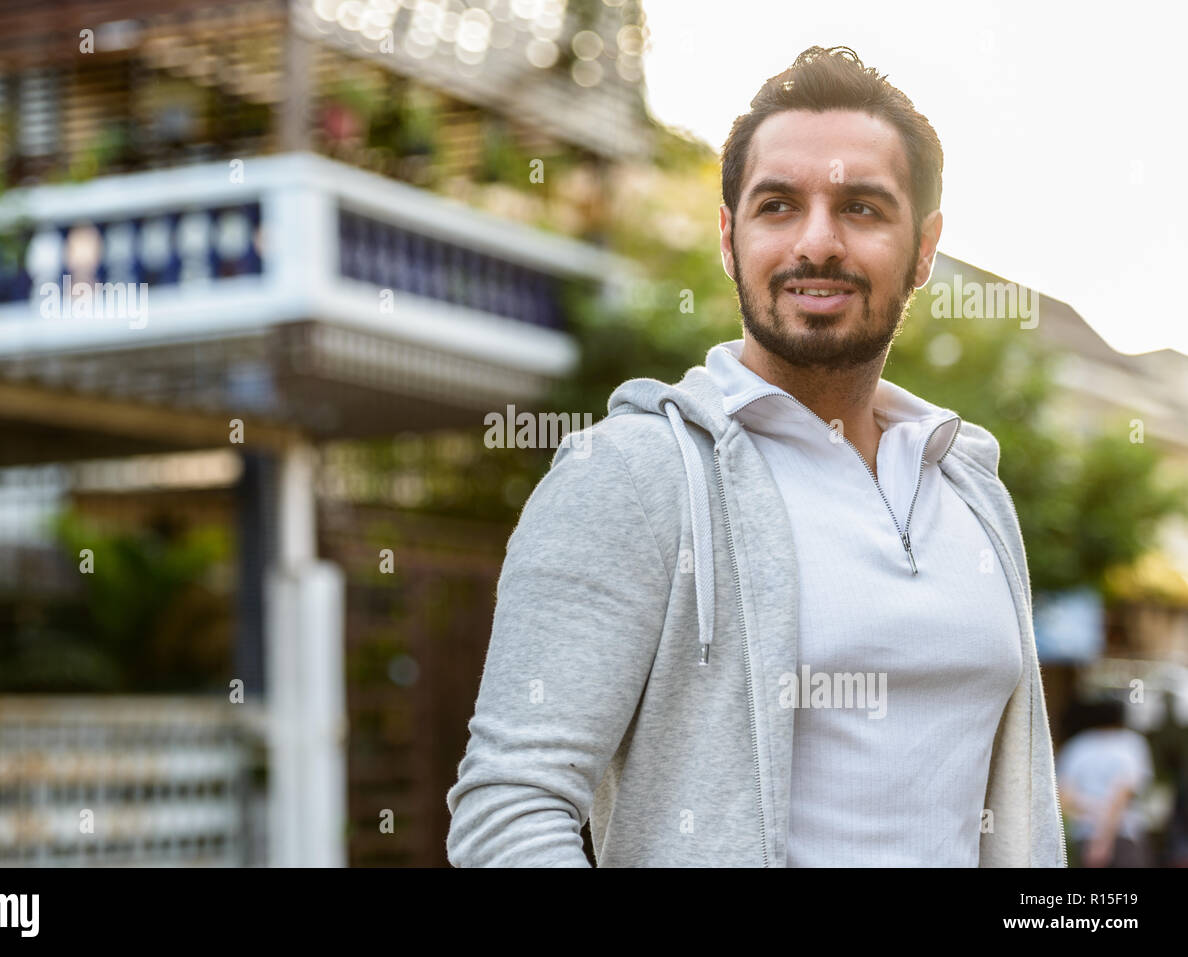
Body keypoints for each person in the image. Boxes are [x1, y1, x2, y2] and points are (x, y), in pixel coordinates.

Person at [445, 45, 1067, 867]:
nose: (818, 242)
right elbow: (509, 811)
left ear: (924, 248)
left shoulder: (971, 489)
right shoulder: (635, 475)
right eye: (778, 205)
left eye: (862, 208)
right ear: (731, 239)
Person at [1056, 700, 1155, 867]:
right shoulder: (1131, 742)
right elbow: (1124, 792)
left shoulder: (1077, 745)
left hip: (1084, 835)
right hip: (1124, 833)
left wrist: (1094, 814)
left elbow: (1064, 796)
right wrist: (1103, 840)